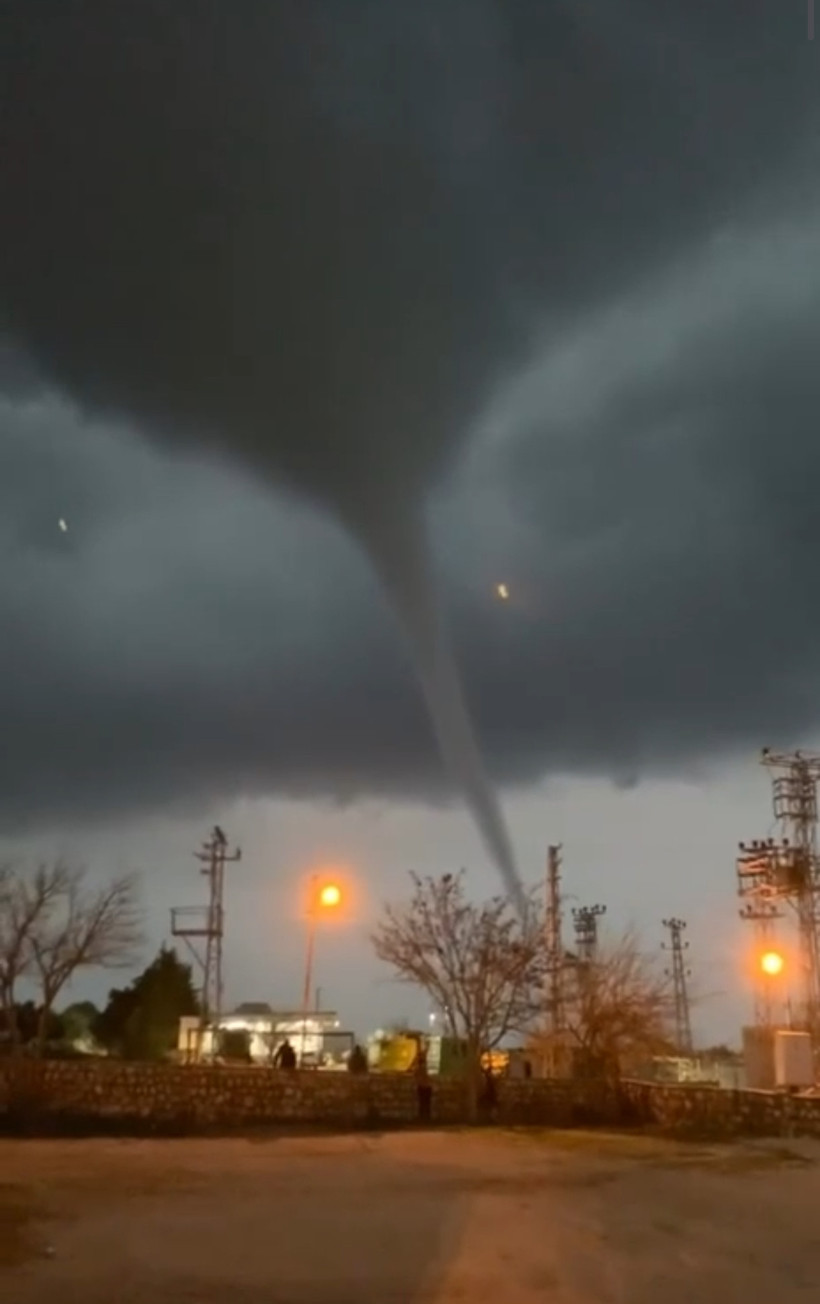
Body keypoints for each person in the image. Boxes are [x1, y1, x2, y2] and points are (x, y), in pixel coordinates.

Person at [415, 1040, 433, 1122]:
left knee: (423, 1103)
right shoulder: (422, 1068)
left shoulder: (419, 1068)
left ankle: (423, 1116)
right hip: (425, 1086)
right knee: (425, 1103)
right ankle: (425, 1116)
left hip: (423, 1086)